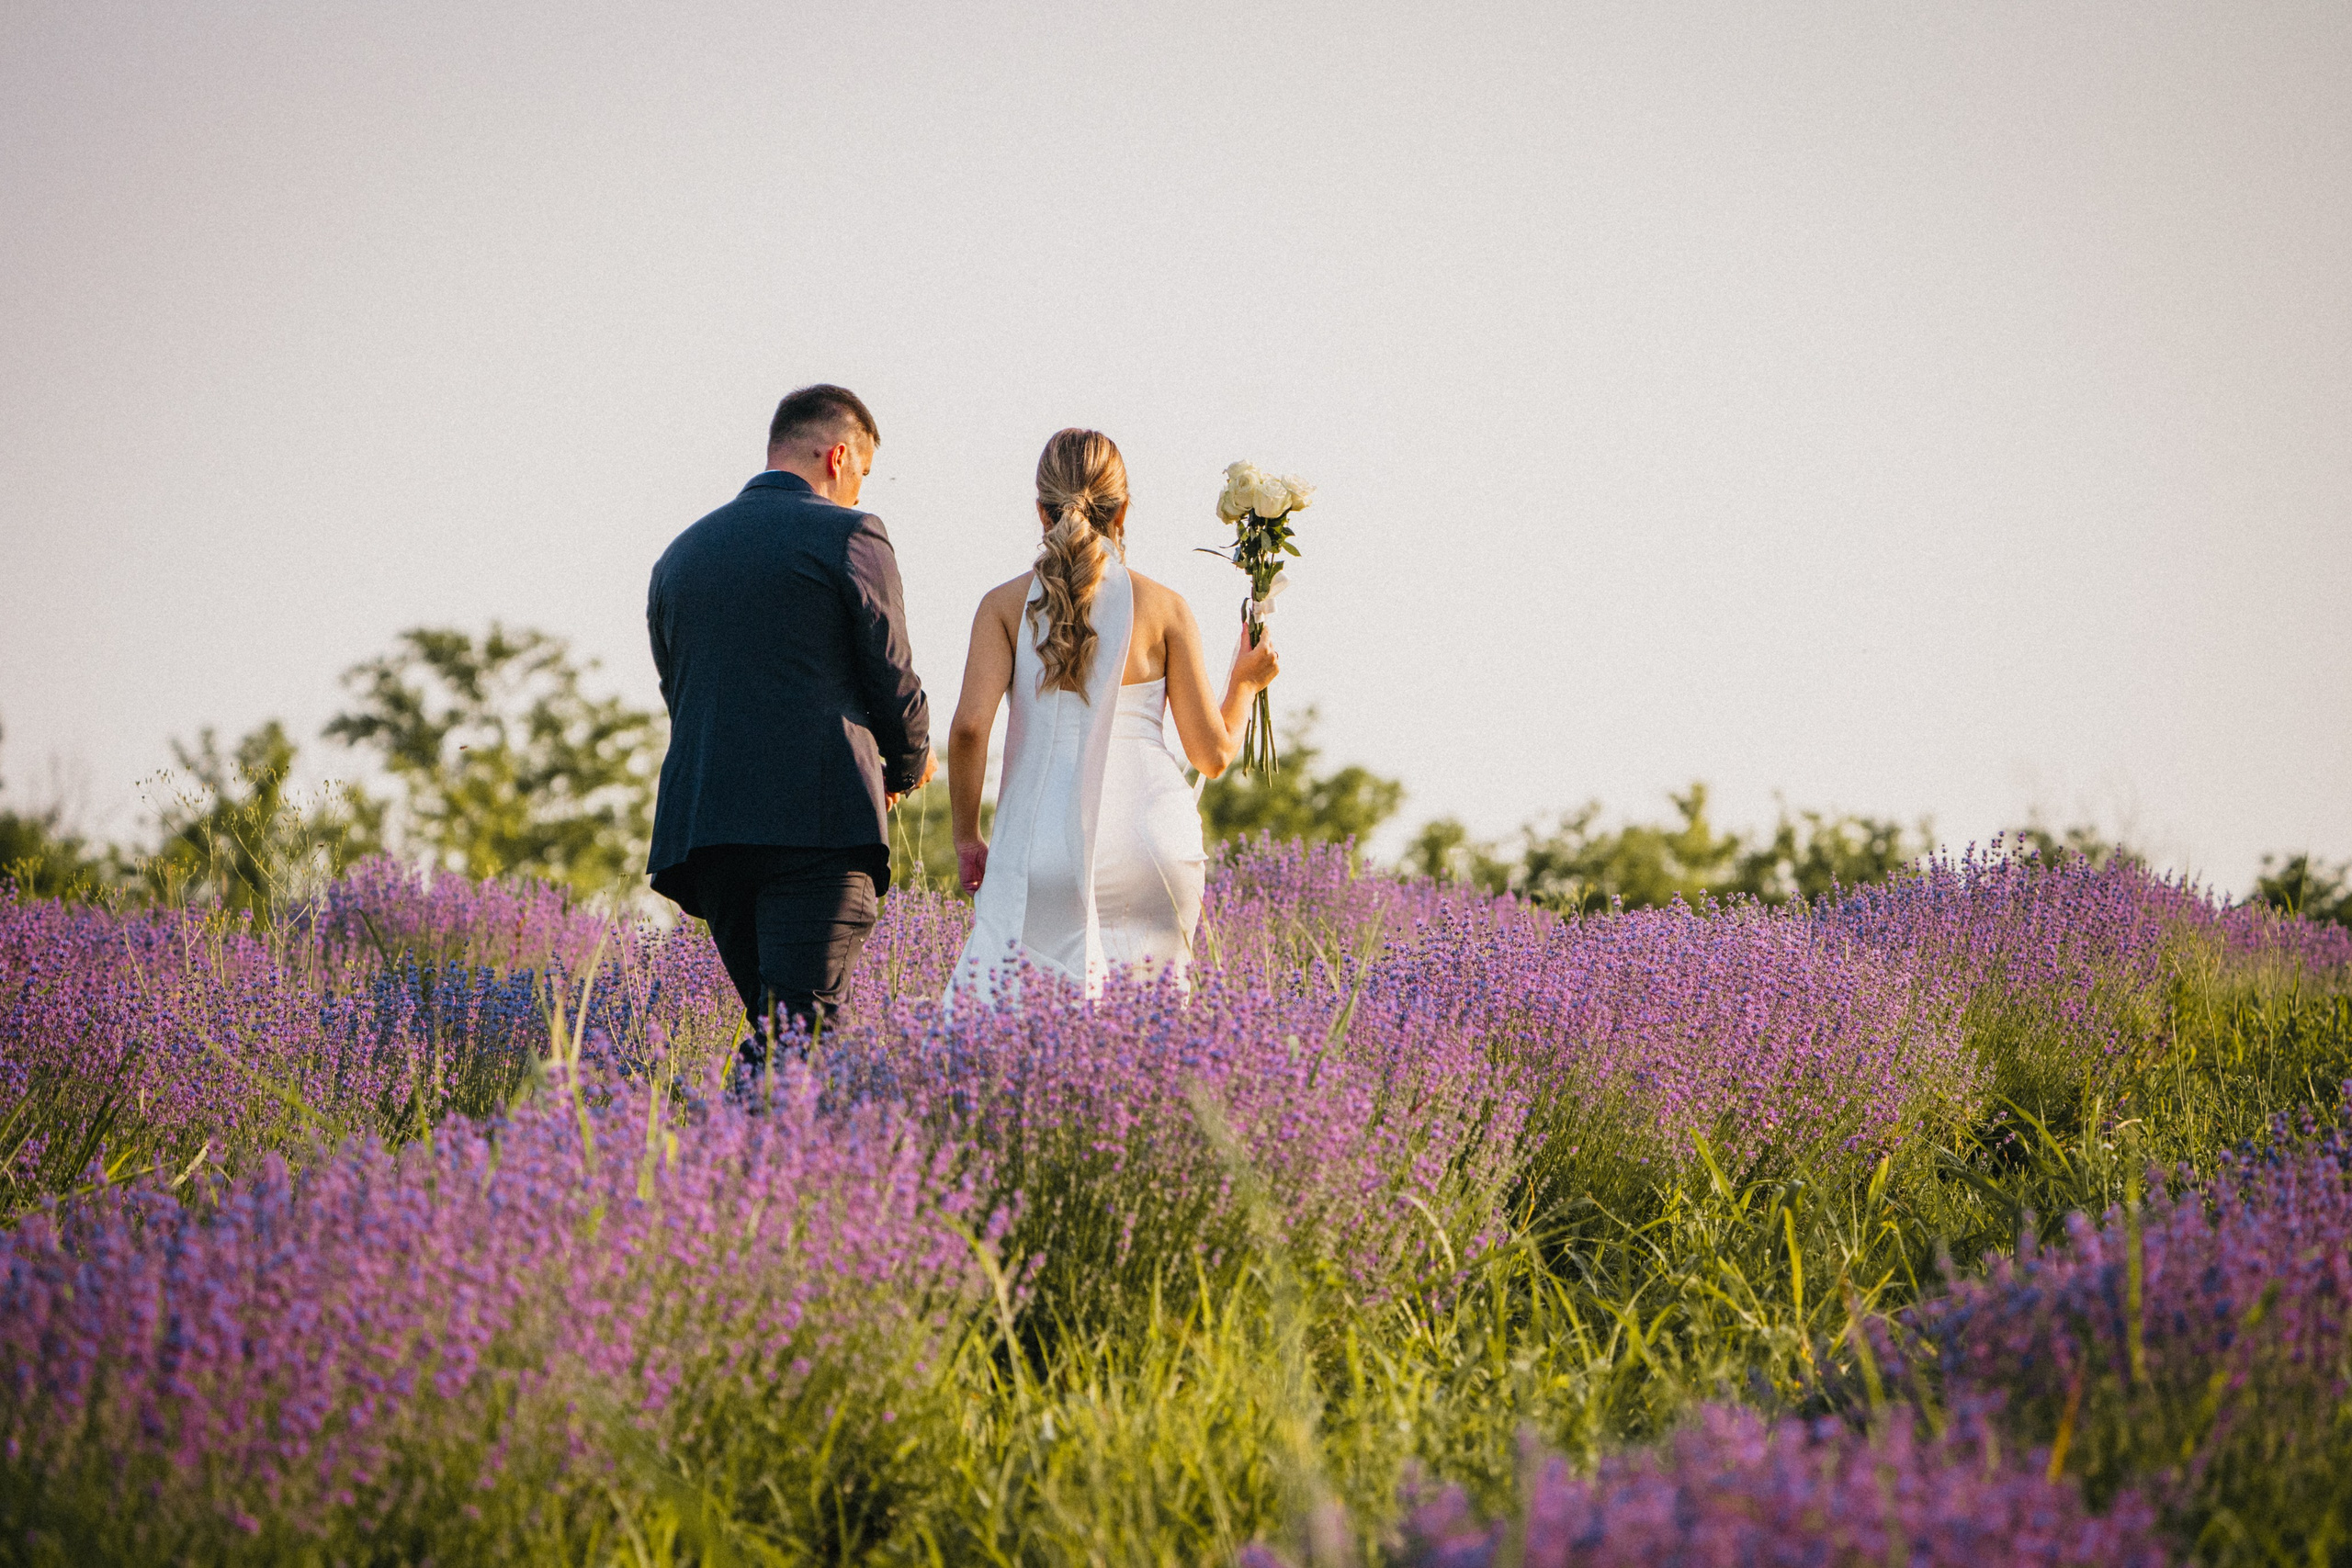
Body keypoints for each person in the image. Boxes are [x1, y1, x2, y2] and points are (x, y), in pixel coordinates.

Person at [646, 384, 935, 1074]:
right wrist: (905, 765)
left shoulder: (678, 558)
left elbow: (679, 693)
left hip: (709, 835)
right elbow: (892, 674)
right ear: (839, 456)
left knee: (782, 1027)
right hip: (818, 824)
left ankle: (740, 1165)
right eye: (860, 474)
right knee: (801, 1032)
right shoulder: (850, 534)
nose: (858, 490)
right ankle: (749, 1170)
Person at [944, 427, 1278, 1003]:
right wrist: (1245, 684)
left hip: (1045, 841)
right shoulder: (1166, 607)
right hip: (1155, 843)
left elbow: (971, 728)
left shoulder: (1001, 606)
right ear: (1123, 509)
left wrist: (967, 837)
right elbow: (1213, 755)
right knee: (1147, 1031)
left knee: (1018, 1025)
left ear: (1040, 510)